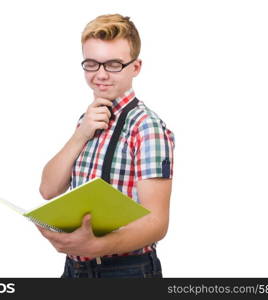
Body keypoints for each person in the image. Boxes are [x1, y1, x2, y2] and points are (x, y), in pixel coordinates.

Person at [37, 13, 175, 278]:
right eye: (91, 64)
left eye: (113, 64)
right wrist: (81, 134)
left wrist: (96, 245)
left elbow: (157, 223)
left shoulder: (146, 127)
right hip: (75, 269)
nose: (100, 75)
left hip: (125, 271)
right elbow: (47, 189)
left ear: (135, 67)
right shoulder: (87, 120)